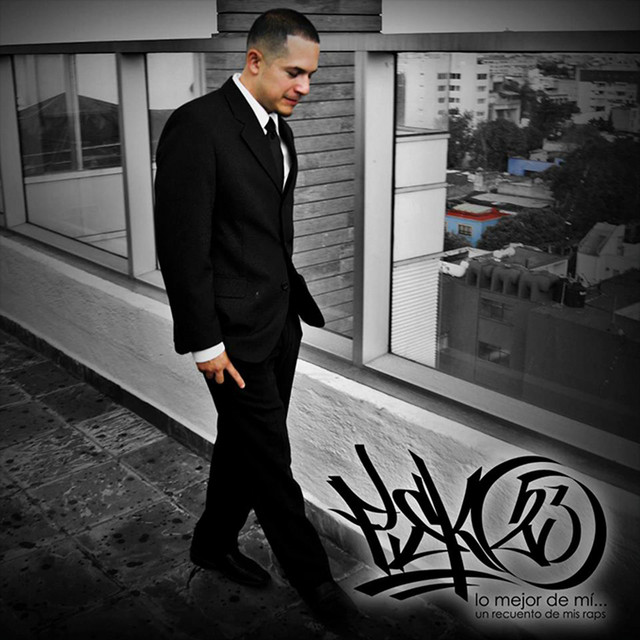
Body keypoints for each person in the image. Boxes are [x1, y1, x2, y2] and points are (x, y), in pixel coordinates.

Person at [153, 7, 357, 631]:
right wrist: (204, 342)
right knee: (270, 459)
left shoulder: (280, 131)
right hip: (230, 338)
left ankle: (212, 544)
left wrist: (288, 309)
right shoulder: (197, 126)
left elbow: (263, 234)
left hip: (279, 322)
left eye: (312, 75)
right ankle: (314, 580)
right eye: (295, 72)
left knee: (245, 446)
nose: (306, 86)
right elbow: (181, 246)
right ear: (254, 60)